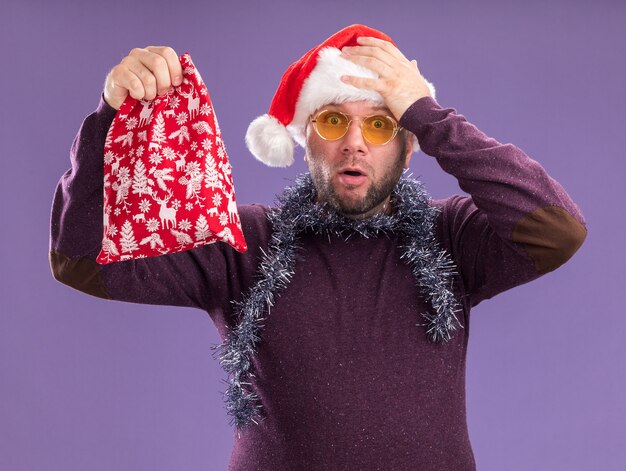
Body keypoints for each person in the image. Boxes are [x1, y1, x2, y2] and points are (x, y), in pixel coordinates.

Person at [50, 24, 586, 470]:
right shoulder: (245, 243)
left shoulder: (452, 238)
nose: (355, 141)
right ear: (307, 139)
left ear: (406, 149)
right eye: (334, 120)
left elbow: (558, 229)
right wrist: (109, 117)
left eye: (380, 125)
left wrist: (427, 114)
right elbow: (82, 261)